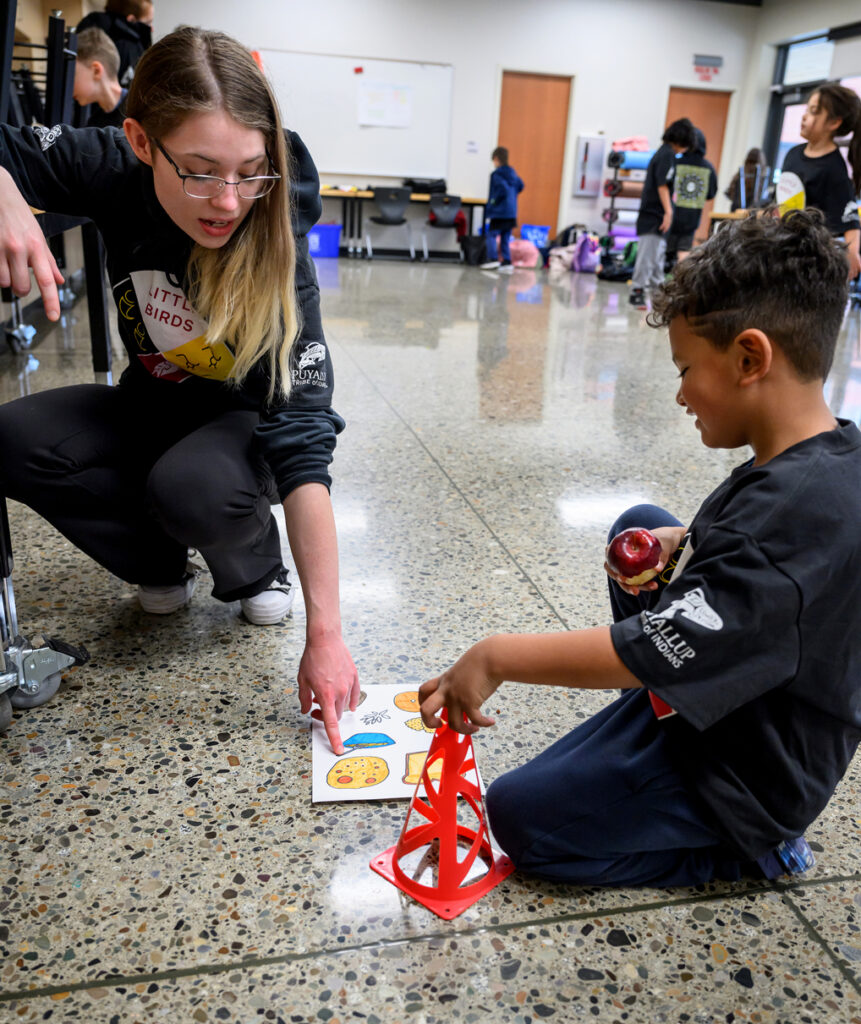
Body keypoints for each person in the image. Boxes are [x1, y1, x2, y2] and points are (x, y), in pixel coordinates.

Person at [420, 208, 861, 888]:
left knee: (519, 818)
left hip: (747, 777)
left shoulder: (775, 532)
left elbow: (743, 583)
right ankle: (667, 697)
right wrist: (686, 541)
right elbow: (786, 573)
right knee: (639, 521)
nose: (680, 393)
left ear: (749, 358)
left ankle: (753, 851)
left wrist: (494, 655)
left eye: (686, 368)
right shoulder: (831, 453)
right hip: (756, 687)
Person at [0, 26, 359, 754]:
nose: (228, 201)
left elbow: (303, 438)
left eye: (249, 171)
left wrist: (327, 634)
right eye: (199, 171)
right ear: (139, 141)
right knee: (11, 440)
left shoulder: (272, 217)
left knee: (192, 486)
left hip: (238, 428)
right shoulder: (107, 164)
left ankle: (258, 570)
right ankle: (158, 565)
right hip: (151, 399)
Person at [780, 82, 861, 280]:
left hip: (811, 259)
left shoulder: (834, 169)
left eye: (814, 111)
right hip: (783, 247)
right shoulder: (793, 154)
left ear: (833, 123)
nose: (805, 116)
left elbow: (850, 218)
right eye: (807, 109)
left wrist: (852, 253)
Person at [628, 118, 695, 310]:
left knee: (657, 258)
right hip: (653, 216)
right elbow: (662, 185)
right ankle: (637, 292)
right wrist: (668, 212)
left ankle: (659, 295)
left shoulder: (668, 155)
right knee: (647, 257)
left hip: (657, 216)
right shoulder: (665, 155)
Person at [665, 127, 717, 266]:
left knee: (664, 252)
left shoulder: (675, 162)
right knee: (684, 252)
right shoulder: (708, 167)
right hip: (692, 218)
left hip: (671, 216)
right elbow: (711, 194)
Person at [77, 0, 153, 87]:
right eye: (148, 23)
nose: (151, 29)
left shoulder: (91, 24)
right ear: (131, 19)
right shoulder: (130, 46)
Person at [480, 146, 524, 274]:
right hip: (511, 211)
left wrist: (493, 201)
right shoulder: (513, 174)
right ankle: (506, 261)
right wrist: (512, 196)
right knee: (505, 237)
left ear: (496, 159)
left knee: (491, 234)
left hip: (500, 212)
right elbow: (521, 186)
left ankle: (493, 258)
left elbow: (502, 189)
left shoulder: (497, 174)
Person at [73, 28, 127, 130]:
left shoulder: (139, 111)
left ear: (96, 71)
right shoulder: (94, 125)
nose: (69, 86)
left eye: (73, 75)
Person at [725, 147, 767, 212]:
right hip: (752, 214)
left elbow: (730, 194)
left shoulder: (740, 174)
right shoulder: (762, 179)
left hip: (735, 212)